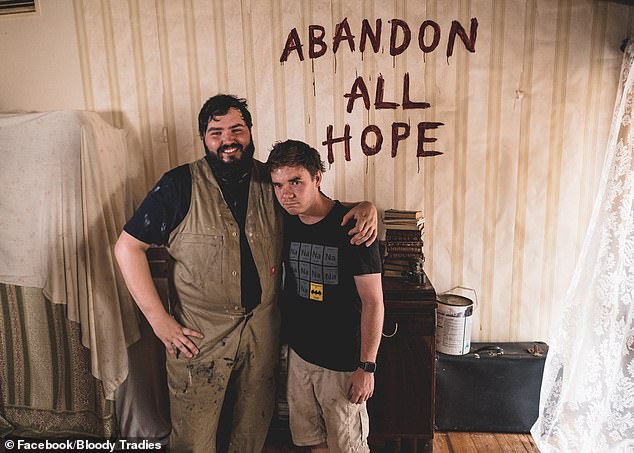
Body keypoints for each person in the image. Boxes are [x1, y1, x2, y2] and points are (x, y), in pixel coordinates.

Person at [114, 94, 377, 453]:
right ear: (203, 139)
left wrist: (367, 207)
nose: (227, 140)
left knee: (253, 433)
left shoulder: (271, 181)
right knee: (193, 439)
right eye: (215, 132)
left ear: (250, 132)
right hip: (199, 336)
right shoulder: (177, 186)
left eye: (236, 129)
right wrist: (161, 323)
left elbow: (319, 208)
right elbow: (127, 248)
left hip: (263, 332)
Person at [267, 140, 384, 453]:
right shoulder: (285, 220)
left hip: (342, 363)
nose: (286, 194)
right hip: (300, 357)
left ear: (317, 177)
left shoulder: (353, 226)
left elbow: (373, 302)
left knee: (347, 447)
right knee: (312, 441)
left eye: (296, 182)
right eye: (278, 185)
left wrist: (366, 367)